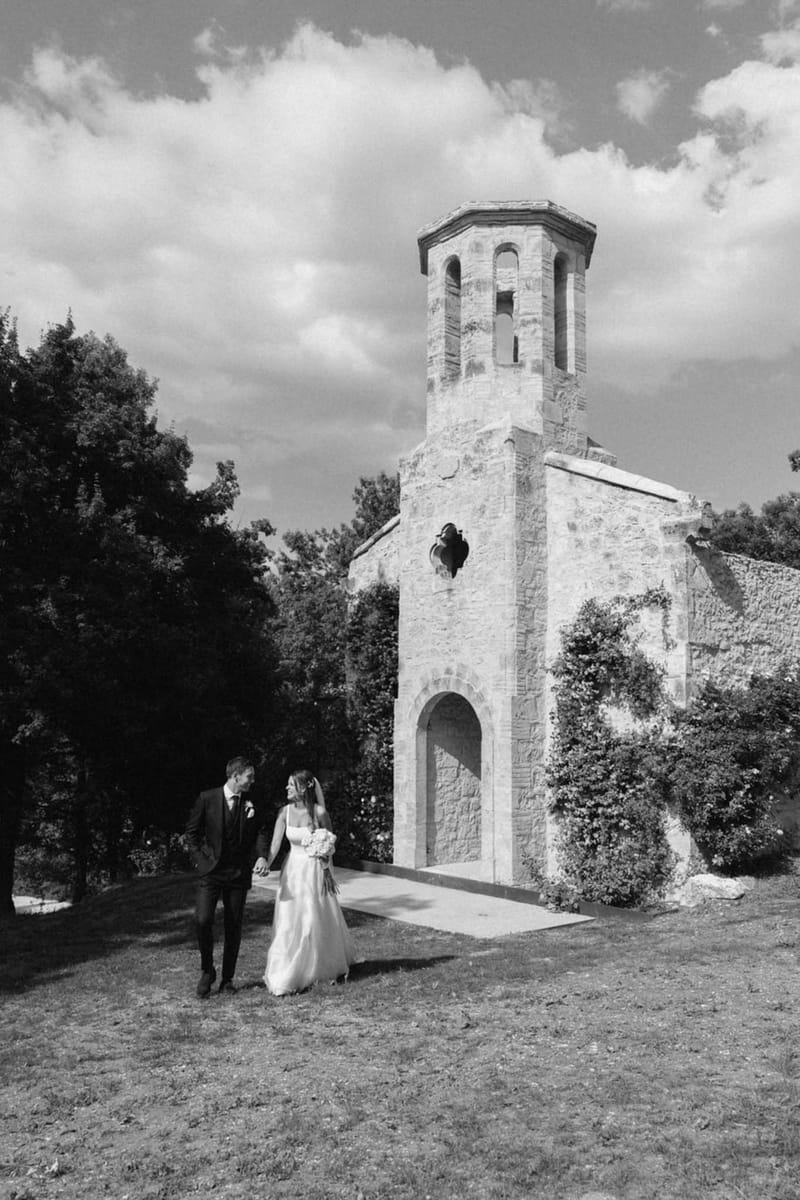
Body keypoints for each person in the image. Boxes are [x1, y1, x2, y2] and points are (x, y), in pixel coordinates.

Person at [257, 769, 358, 995]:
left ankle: (316, 967)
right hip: (293, 871)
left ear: (303, 788)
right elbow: (275, 845)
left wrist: (324, 861)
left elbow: (329, 843)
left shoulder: (320, 813)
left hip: (314, 871)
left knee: (312, 917)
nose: (287, 789)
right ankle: (287, 967)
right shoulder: (284, 813)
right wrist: (266, 860)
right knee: (290, 919)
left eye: (291, 785)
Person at [185, 755, 268, 998]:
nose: (252, 781)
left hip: (238, 873)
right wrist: (202, 861)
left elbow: (261, 829)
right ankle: (207, 970)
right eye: (249, 777)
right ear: (235, 776)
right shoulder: (207, 798)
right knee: (202, 920)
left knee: (234, 925)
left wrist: (262, 856)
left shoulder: (252, 801)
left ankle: (227, 979)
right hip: (211, 872)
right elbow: (192, 833)